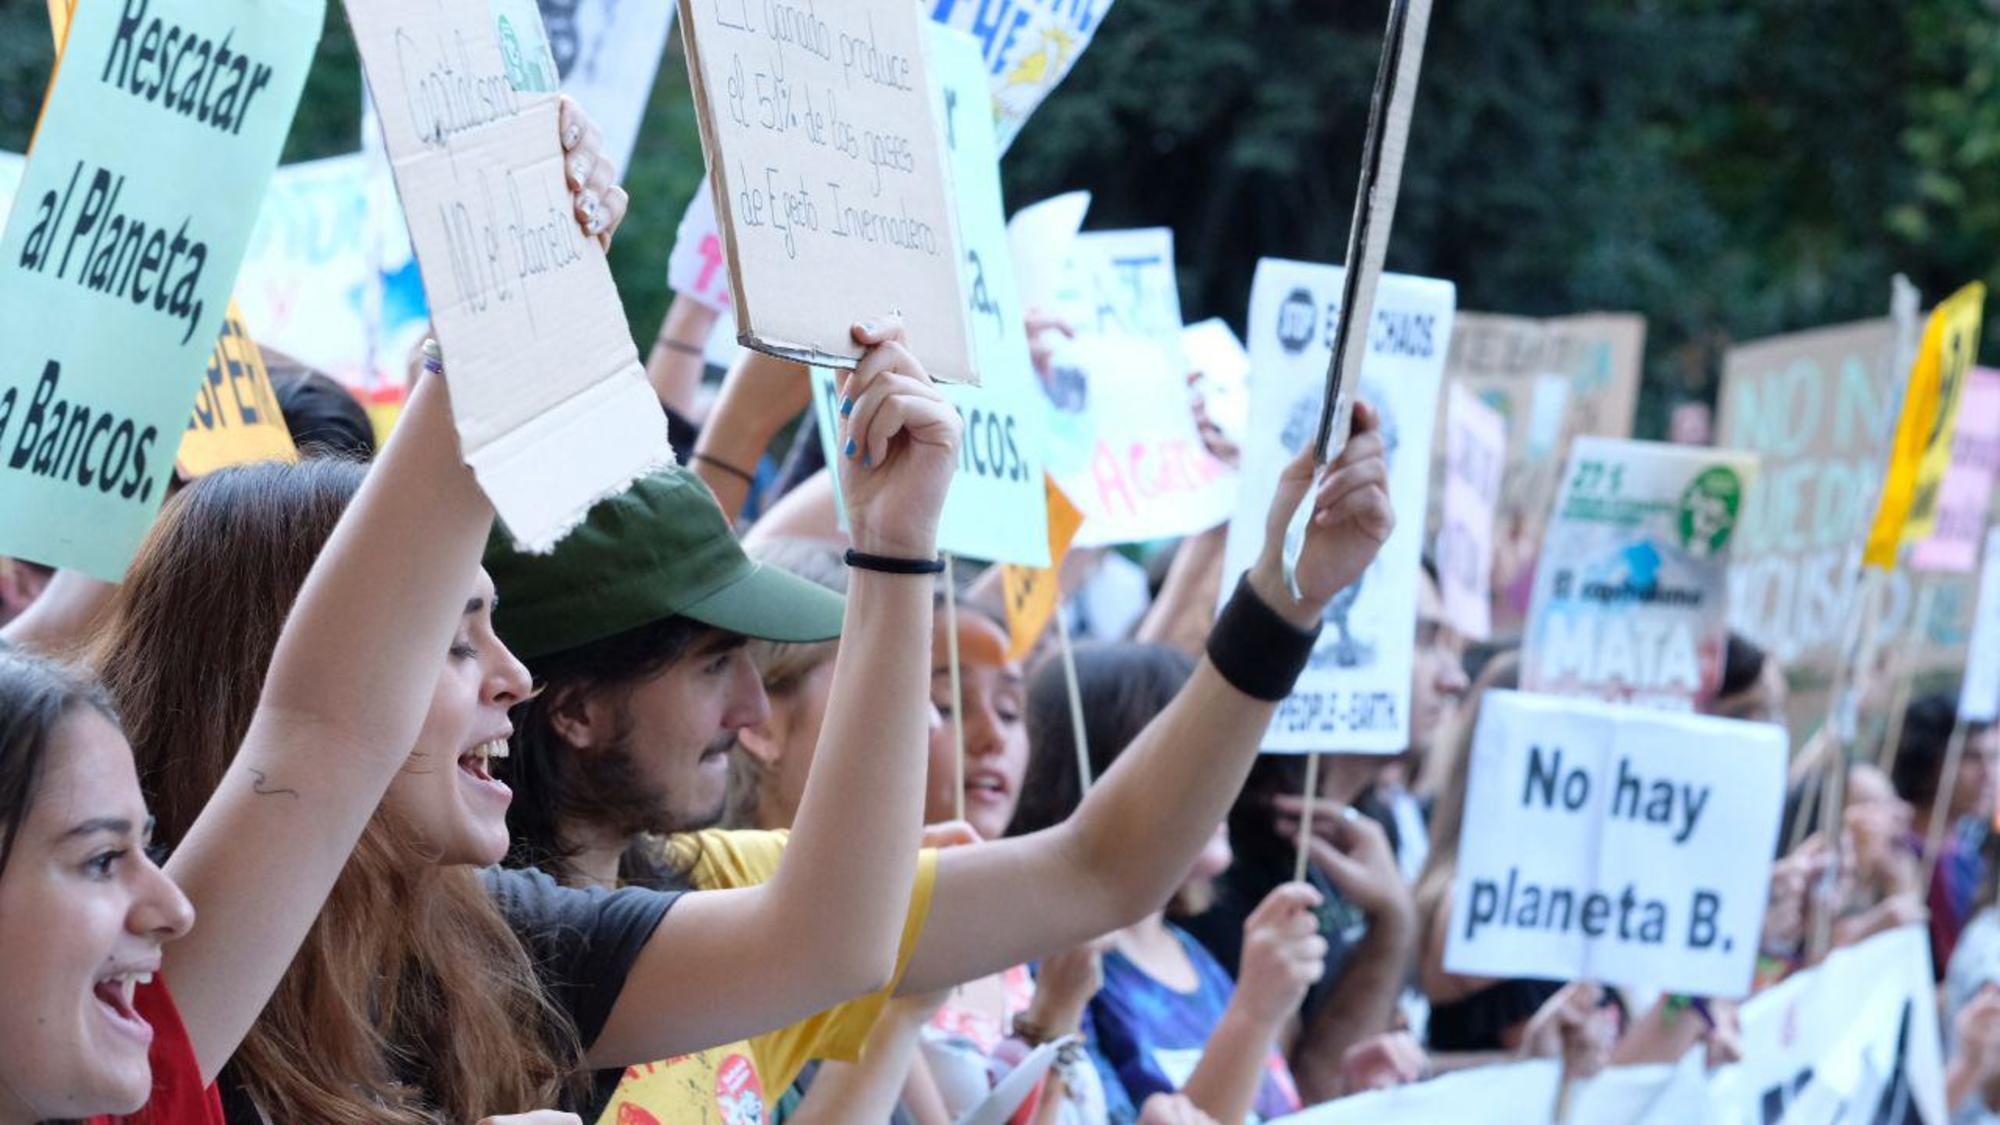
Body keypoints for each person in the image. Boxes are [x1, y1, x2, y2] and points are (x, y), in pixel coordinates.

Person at [487, 405, 1398, 1122]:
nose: (751, 708)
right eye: (713, 666)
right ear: (575, 709)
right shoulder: (450, 951)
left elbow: (1099, 869)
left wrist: (1284, 601)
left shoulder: (714, 884)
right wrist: (891, 547)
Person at [1009, 641, 1323, 1122]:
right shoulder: (1057, 968)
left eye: (1223, 759)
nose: (1220, 784)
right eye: (1190, 761)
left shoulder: (1191, 955)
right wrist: (1253, 1013)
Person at [1891, 695, 2000, 973]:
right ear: (1929, 762)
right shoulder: (1893, 852)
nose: (1989, 774)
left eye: (1994, 757)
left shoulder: (1970, 856)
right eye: (1971, 758)